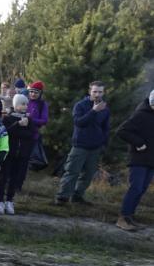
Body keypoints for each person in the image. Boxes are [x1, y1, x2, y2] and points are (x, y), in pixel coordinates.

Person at [55, 81, 110, 205]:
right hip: (80, 145)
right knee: (72, 171)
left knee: (88, 174)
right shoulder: (80, 105)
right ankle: (62, 197)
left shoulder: (105, 108)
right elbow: (79, 123)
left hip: (95, 147)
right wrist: (93, 111)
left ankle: (77, 196)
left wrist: (104, 144)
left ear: (103, 93)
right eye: (95, 91)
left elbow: (105, 128)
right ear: (90, 91)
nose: (97, 94)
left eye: (100, 92)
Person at [115, 89, 154, 231]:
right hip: (138, 159)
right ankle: (122, 218)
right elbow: (121, 131)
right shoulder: (141, 114)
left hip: (151, 160)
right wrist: (138, 143)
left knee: (141, 189)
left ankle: (130, 217)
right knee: (135, 188)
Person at [0, 93, 34, 214]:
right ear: (16, 105)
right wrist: (18, 125)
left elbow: (31, 134)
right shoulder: (8, 118)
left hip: (21, 155)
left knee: (15, 179)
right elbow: (6, 132)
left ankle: (9, 200)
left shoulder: (28, 119)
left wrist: (21, 131)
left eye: (26, 104)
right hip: (9, 153)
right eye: (23, 104)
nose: (25, 106)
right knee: (3, 177)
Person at [26, 81, 49, 169]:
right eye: (31, 91)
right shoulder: (26, 101)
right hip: (22, 132)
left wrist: (31, 119)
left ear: (40, 93)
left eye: (36, 92)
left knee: (30, 156)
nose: (33, 94)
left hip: (33, 134)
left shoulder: (42, 104)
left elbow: (44, 120)